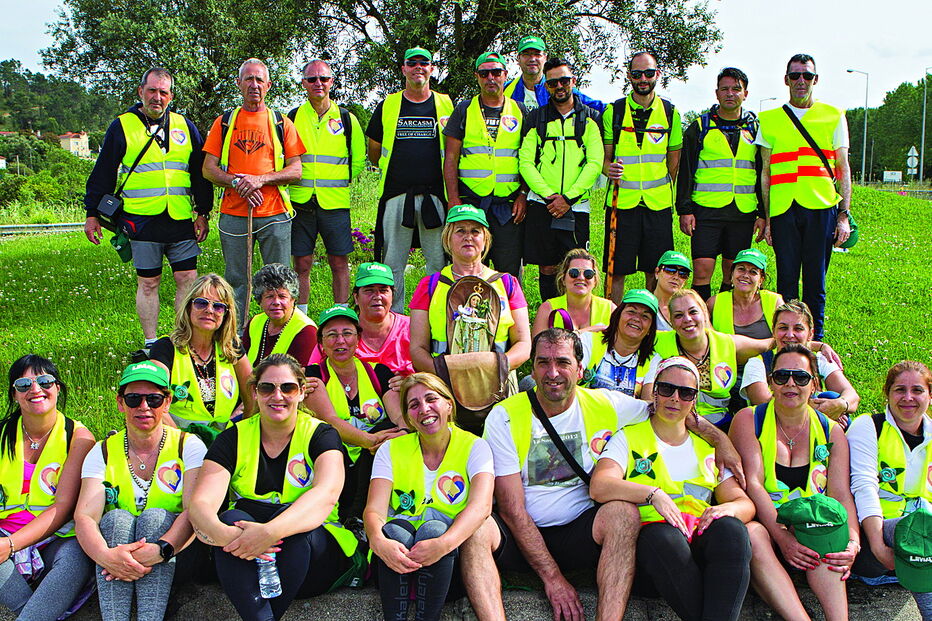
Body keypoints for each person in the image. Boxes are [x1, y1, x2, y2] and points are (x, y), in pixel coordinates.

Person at [459, 328, 744, 621]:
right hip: (521, 533)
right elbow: (512, 509)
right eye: (543, 362)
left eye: (563, 362)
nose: (552, 372)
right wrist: (553, 579)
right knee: (475, 530)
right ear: (533, 366)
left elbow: (669, 408)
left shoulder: (605, 404)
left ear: (581, 369)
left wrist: (721, 440)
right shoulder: (505, 415)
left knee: (623, 513)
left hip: (580, 530)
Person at [188, 354, 359, 621]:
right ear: (255, 393)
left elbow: (326, 495)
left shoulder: (323, 435)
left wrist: (268, 533)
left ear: (302, 393)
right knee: (231, 519)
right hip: (244, 552)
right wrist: (226, 537)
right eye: (266, 387)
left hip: (313, 555)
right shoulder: (233, 436)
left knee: (294, 531)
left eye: (288, 388)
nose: (277, 396)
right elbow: (200, 504)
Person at [590, 357, 755, 621]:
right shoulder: (629, 436)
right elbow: (600, 486)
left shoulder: (706, 448)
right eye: (666, 389)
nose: (675, 398)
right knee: (662, 538)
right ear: (654, 391)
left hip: (697, 547)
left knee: (732, 530)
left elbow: (745, 504)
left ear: (694, 400)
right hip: (654, 555)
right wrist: (653, 494)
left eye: (686, 392)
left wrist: (728, 508)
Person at [84, 67, 212, 351]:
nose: (157, 97)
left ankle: (183, 339)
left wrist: (203, 211)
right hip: (141, 220)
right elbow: (103, 171)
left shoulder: (185, 126)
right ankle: (151, 343)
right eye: (152, 91)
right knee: (149, 282)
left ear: (171, 96)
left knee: (187, 279)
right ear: (141, 92)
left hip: (179, 216)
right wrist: (91, 213)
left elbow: (200, 173)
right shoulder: (122, 126)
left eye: (163, 92)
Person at [729, 344, 859, 620]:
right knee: (752, 534)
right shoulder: (749, 419)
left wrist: (853, 541)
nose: (790, 383)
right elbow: (753, 483)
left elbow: (840, 494)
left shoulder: (831, 431)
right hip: (768, 524)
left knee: (829, 527)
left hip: (810, 526)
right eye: (781, 376)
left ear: (814, 385)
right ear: (770, 383)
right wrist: (783, 537)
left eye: (800, 377)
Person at [75, 361, 206, 621]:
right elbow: (85, 516)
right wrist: (107, 557)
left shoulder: (189, 446)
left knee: (155, 517)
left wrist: (161, 550)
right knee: (115, 519)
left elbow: (194, 512)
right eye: (134, 399)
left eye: (154, 399)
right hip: (116, 552)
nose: (144, 407)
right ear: (120, 403)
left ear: (167, 402)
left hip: (176, 551)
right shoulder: (102, 450)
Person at [364, 373, 495, 621]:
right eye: (413, 405)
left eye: (431, 399)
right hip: (396, 561)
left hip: (447, 561)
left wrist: (442, 545)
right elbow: (374, 511)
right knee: (396, 531)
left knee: (434, 528)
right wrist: (379, 543)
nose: (423, 409)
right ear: (408, 417)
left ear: (448, 404)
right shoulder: (390, 450)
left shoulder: (475, 447)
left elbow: (482, 506)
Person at [408, 205, 531, 433]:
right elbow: (417, 349)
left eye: (475, 231)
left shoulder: (507, 283)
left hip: (499, 387)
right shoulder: (430, 286)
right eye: (460, 231)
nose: (468, 237)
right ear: (447, 239)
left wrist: (493, 368)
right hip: (445, 387)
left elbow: (524, 345)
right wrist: (448, 372)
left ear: (485, 239)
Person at [202, 58, 305, 325]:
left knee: (279, 280)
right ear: (238, 84)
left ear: (269, 85)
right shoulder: (224, 122)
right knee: (236, 279)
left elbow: (296, 171)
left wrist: (261, 180)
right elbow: (208, 169)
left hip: (275, 214)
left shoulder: (281, 122)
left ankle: (280, 334)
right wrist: (238, 182)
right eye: (248, 79)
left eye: (259, 79)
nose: (254, 85)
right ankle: (236, 338)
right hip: (234, 214)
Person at [758, 53, 853, 340]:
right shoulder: (770, 118)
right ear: (786, 80)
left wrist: (844, 215)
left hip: (821, 206)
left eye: (807, 76)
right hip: (784, 208)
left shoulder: (833, 115)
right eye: (795, 75)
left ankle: (815, 341)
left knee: (816, 281)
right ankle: (785, 339)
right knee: (786, 280)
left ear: (816, 79)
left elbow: (843, 167)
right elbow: (765, 173)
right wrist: (767, 216)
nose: (801, 81)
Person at [0, 355, 96, 620]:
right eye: (23, 384)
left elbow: (63, 507)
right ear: (14, 394)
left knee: (77, 556)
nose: (35, 389)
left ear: (57, 388)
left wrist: (10, 545)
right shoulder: (1, 435)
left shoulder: (79, 437)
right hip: (3, 531)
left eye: (44, 381)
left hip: (54, 537)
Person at [367, 47, 454, 312]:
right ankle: (395, 320)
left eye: (424, 63)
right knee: (392, 264)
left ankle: (437, 316)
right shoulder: (389, 104)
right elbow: (373, 150)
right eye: (411, 62)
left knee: (438, 264)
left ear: (432, 69)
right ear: (403, 69)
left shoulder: (445, 103)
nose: (418, 67)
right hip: (397, 195)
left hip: (435, 197)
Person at [304, 305, 406, 518]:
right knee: (327, 435)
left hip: (374, 458)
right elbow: (330, 420)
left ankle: (364, 517)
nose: (340, 341)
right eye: (331, 335)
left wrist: (400, 433)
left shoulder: (379, 372)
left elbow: (399, 418)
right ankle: (352, 515)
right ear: (321, 343)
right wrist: (370, 441)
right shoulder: (314, 376)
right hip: (335, 458)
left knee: (389, 429)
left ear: (358, 338)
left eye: (347, 333)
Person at [849, 361, 932, 619]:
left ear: (930, 395)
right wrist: (877, 546)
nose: (908, 398)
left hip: (924, 545)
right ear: (887, 392)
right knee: (918, 529)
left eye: (917, 390)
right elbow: (864, 486)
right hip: (876, 542)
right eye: (899, 390)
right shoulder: (868, 426)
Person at [676, 68, 766, 302]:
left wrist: (763, 213)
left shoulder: (755, 128)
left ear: (745, 94)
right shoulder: (700, 126)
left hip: (743, 211)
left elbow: (762, 173)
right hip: (706, 210)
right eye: (725, 89)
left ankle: (726, 321)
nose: (730, 94)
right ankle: (700, 323)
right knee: (703, 270)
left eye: (736, 89)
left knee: (733, 272)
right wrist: (684, 209)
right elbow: (685, 171)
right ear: (716, 93)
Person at [519, 58, 605, 301]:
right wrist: (549, 196)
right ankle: (550, 317)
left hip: (576, 206)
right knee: (546, 267)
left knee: (577, 268)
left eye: (564, 80)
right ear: (546, 86)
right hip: (543, 204)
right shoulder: (536, 118)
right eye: (553, 82)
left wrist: (568, 198)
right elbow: (526, 161)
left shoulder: (590, 118)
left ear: (573, 82)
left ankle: (575, 319)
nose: (559, 86)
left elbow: (595, 162)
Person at [602, 52, 683, 302]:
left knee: (656, 271)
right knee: (616, 271)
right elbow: (604, 160)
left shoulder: (670, 112)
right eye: (637, 74)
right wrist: (609, 169)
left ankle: (651, 323)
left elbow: (673, 164)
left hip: (656, 205)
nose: (643, 79)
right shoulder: (613, 111)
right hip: (621, 203)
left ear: (657, 74)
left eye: (649, 73)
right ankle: (615, 323)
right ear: (629, 76)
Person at [287, 59, 366, 309]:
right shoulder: (292, 117)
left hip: (335, 203)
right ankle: (301, 320)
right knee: (301, 264)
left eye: (323, 78)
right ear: (304, 83)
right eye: (312, 79)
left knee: (339, 263)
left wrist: (335, 183)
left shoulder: (347, 118)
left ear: (331, 82)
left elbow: (359, 160)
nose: (318, 83)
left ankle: (341, 315)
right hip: (300, 202)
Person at [443, 51, 526, 278]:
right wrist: (453, 200)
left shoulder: (520, 110)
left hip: (507, 207)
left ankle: (509, 313)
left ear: (505, 75)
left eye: (496, 72)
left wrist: (523, 195)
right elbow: (450, 158)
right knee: (467, 269)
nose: (490, 78)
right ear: (477, 77)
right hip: (470, 203)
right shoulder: (463, 110)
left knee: (507, 273)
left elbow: (529, 159)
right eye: (484, 73)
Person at [655, 289, 781, 430]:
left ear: (705, 313)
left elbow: (770, 344)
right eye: (678, 315)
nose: (687, 319)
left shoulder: (728, 344)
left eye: (693, 312)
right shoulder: (657, 342)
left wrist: (807, 344)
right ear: (671, 321)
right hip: (672, 422)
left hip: (719, 423)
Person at [149, 273, 253, 432]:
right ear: (189, 307)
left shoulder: (231, 347)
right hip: (177, 438)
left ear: (226, 314)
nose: (209, 310)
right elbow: (152, 398)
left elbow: (253, 396)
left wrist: (241, 435)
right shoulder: (165, 348)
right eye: (201, 303)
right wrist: (184, 444)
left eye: (218, 306)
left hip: (225, 442)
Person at [740, 300, 859, 421]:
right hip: (774, 427)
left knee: (833, 398)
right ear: (773, 331)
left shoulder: (819, 359)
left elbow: (851, 395)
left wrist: (839, 405)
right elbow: (763, 401)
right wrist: (821, 412)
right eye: (783, 328)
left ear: (810, 334)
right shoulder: (758, 362)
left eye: (798, 329)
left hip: (812, 428)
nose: (790, 334)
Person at [532, 249, 615, 374]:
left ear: (595, 281)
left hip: (601, 381)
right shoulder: (548, 309)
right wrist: (586, 331)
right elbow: (536, 353)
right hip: (556, 377)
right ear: (563, 278)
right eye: (574, 273)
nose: (581, 278)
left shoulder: (610, 309)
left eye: (588, 274)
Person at [502, 35, 605, 113]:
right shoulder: (506, 89)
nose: (532, 59)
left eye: (537, 54)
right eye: (526, 54)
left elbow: (598, 107)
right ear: (518, 59)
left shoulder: (558, 88)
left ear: (545, 58)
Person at [589, 289, 661, 398]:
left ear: (650, 328)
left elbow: (648, 402)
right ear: (618, 316)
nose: (637, 319)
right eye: (631, 311)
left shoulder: (653, 361)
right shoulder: (590, 341)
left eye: (645, 316)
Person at [242, 263, 317, 367]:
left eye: (282, 296)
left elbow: (301, 378)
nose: (276, 302)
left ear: (293, 299)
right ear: (260, 300)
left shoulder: (307, 331)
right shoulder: (255, 322)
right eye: (269, 296)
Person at [708, 248, 783, 339]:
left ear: (761, 280)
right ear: (732, 274)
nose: (745, 275)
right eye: (741, 269)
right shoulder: (714, 303)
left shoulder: (775, 302)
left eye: (753, 272)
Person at [651, 249, 691, 332]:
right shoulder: (644, 305)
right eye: (670, 270)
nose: (676, 277)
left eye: (683, 274)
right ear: (657, 272)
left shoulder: (690, 309)